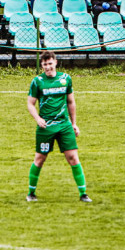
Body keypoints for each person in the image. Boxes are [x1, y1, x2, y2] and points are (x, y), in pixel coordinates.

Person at [26, 51, 89, 203]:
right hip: (46, 126)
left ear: (55, 62)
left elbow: (71, 102)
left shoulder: (65, 79)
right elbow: (30, 103)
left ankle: (83, 194)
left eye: (50, 63)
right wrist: (38, 118)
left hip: (64, 125)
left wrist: (74, 124)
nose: (48, 67)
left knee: (73, 158)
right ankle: (31, 193)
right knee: (40, 159)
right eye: (45, 64)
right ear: (42, 65)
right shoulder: (37, 81)